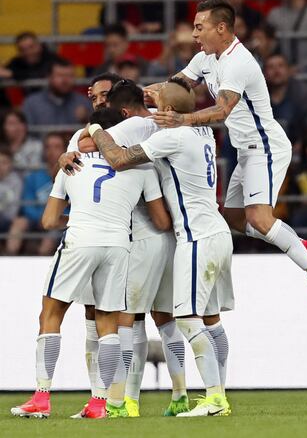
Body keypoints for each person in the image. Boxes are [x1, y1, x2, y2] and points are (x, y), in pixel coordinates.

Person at [147, 0, 307, 315]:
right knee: (235, 218)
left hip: (265, 147)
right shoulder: (205, 58)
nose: (194, 34)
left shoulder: (240, 62)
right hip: (245, 150)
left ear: (220, 28)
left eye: (199, 27)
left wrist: (181, 119)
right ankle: (302, 245)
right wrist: (133, 95)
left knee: (260, 219)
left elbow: (222, 110)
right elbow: (172, 88)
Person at [79, 77, 234, 417]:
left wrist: (94, 125)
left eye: (159, 101)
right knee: (208, 319)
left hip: (195, 237)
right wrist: (158, 99)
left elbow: (117, 158)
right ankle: (213, 393)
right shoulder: (202, 130)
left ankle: (212, 398)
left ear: (167, 111)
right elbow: (172, 107)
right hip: (215, 231)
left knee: (183, 318)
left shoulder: (172, 135)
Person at [10, 110, 169, 420]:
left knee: (51, 314)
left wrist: (83, 213)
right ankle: (99, 404)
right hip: (119, 246)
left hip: (81, 241)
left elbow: (48, 221)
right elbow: (162, 220)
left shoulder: (70, 164)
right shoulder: (144, 168)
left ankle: (41, 398)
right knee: (107, 324)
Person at [61, 79, 190, 418]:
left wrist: (76, 145)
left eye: (104, 96)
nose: (98, 102)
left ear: (120, 105)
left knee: (124, 320)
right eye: (93, 97)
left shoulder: (128, 128)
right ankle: (179, 394)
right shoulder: (164, 125)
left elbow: (89, 144)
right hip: (172, 234)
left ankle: (121, 401)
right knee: (164, 318)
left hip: (134, 235)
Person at [6, 132, 66, 256]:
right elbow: (27, 205)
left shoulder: (71, 175)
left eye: (56, 147)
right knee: (19, 223)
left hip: (60, 219)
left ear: (65, 150)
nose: (51, 151)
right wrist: (41, 217)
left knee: (51, 232)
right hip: (36, 219)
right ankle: (8, 260)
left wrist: (51, 217)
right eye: (48, 147)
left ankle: (41, 265)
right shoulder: (34, 176)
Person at [264, 54, 307, 151]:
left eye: (280, 66)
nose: (276, 71)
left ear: (289, 71)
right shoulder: (256, 97)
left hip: (299, 150)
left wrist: (302, 143)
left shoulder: (304, 95)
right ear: (264, 74)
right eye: (271, 67)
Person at [23, 58, 92, 126]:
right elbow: (27, 134)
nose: (65, 80)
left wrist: (86, 119)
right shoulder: (32, 103)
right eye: (60, 75)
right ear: (49, 77)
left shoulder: (83, 102)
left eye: (69, 76)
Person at [0, 146, 22, 233]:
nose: (0, 166)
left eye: (4, 162)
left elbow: (14, 210)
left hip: (8, 219)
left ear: (10, 164)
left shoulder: (16, 181)